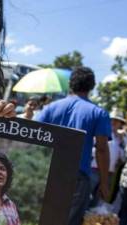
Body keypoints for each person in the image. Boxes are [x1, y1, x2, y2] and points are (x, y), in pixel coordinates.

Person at [36, 67, 111, 225]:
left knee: (39, 217)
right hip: (76, 177)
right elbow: (102, 149)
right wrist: (104, 182)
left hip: (46, 171)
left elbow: (33, 135)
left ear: (70, 84)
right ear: (92, 86)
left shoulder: (50, 108)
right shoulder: (98, 113)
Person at [89, 108, 127, 208]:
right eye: (112, 119)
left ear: (120, 124)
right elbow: (91, 149)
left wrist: (122, 141)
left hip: (109, 173)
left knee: (97, 202)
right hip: (94, 169)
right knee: (86, 198)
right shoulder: (99, 131)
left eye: (117, 121)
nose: (113, 122)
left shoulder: (121, 138)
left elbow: (123, 157)